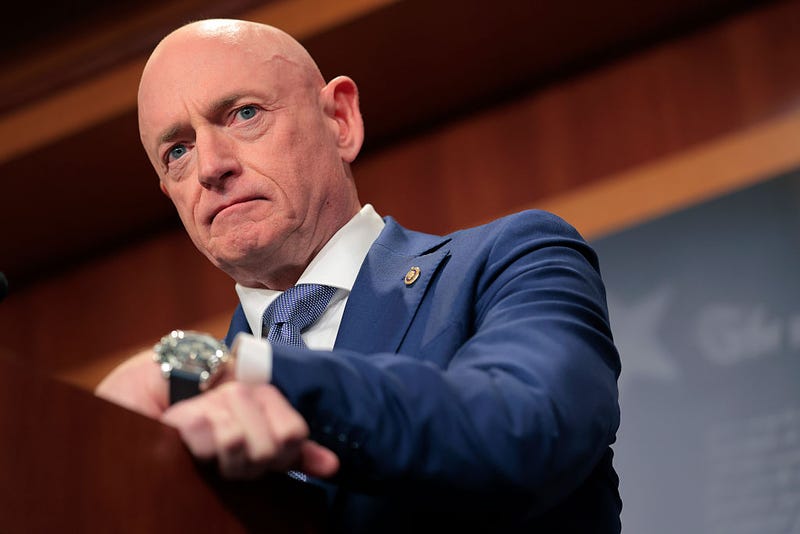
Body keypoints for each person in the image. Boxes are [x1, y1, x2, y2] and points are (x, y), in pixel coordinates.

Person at [96, 18, 622, 533]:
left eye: (244, 113)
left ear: (340, 120)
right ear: (171, 191)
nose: (211, 166)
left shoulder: (511, 259)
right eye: (178, 152)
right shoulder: (175, 419)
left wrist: (251, 374)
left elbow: (526, 428)